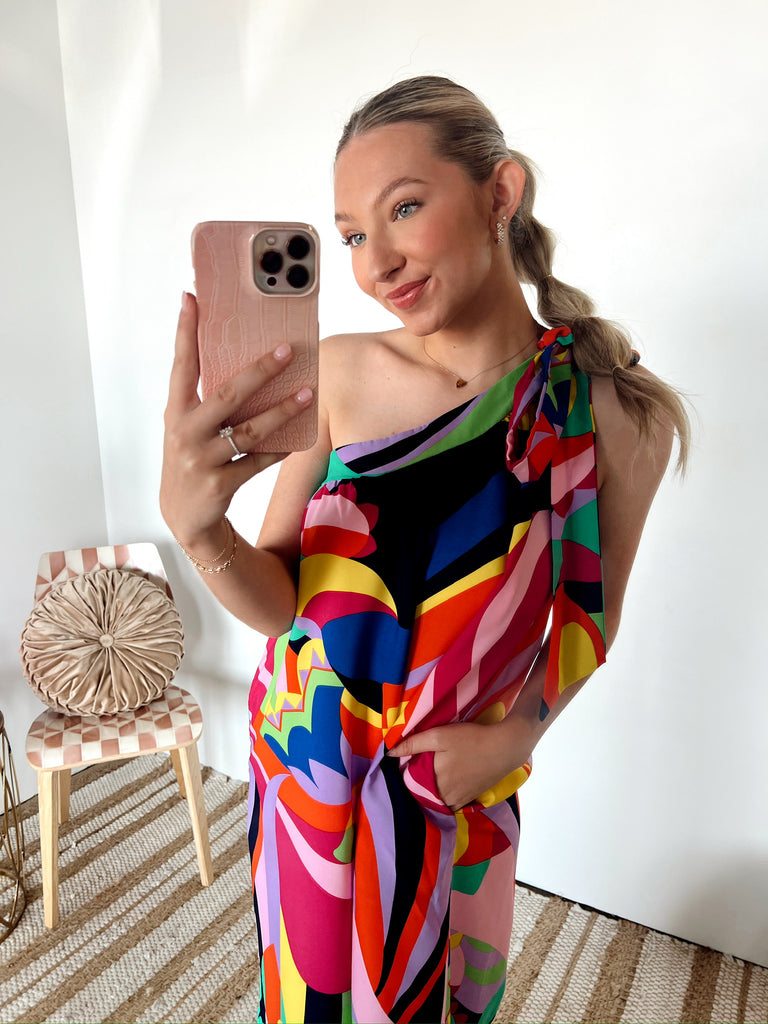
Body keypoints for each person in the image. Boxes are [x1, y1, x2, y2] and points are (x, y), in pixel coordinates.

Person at [161, 76, 689, 1024]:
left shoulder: (610, 409)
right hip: (308, 763)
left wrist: (515, 739)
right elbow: (282, 604)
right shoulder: (336, 372)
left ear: (499, 193)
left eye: (404, 208)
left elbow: (588, 619)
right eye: (351, 236)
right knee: (311, 1004)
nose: (377, 264)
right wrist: (201, 531)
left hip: (450, 787)